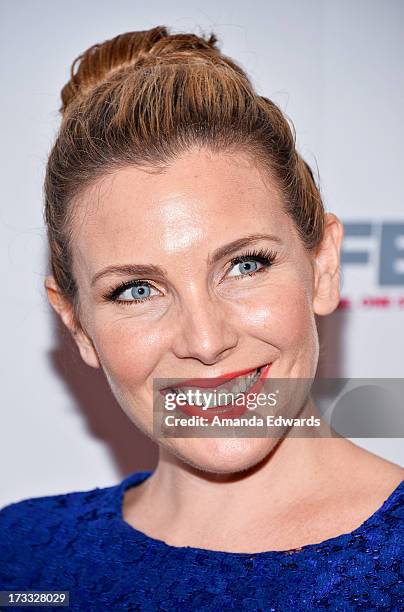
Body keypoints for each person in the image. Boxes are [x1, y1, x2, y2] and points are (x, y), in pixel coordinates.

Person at [1, 25, 403, 611]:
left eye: (244, 264)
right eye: (137, 289)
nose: (206, 340)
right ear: (77, 324)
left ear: (322, 265)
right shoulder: (23, 559)